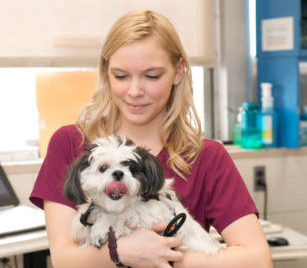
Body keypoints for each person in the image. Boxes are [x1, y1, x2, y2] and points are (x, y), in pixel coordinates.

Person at [30, 10, 273, 268]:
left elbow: (257, 259)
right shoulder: (70, 144)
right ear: (106, 72)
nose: (135, 91)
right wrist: (120, 252)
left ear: (178, 72)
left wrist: (162, 256)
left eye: (152, 76)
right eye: (121, 76)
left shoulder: (206, 157)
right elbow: (64, 260)